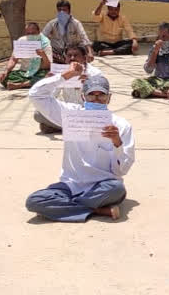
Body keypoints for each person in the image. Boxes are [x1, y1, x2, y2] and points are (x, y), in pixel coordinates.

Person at [25, 71, 134, 222]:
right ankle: (97, 210)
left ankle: (63, 209)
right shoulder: (71, 115)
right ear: (83, 97)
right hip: (71, 185)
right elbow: (37, 95)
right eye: (91, 95)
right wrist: (64, 76)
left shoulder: (121, 125)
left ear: (109, 98)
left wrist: (117, 143)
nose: (96, 100)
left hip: (103, 186)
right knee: (34, 201)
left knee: (117, 189)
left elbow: (121, 170)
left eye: (101, 95)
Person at [35, 45, 103, 134]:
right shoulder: (62, 73)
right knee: (38, 114)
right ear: (65, 58)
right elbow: (50, 98)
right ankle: (73, 126)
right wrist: (49, 82)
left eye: (76, 55)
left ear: (84, 58)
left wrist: (87, 86)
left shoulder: (95, 74)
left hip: (87, 112)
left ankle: (67, 127)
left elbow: (100, 102)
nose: (72, 58)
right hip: (69, 111)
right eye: (69, 55)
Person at [131, 22, 169, 100]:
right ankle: (166, 95)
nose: (161, 39)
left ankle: (148, 92)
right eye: (159, 36)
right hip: (157, 80)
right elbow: (148, 70)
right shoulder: (155, 48)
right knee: (137, 82)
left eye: (164, 36)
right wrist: (155, 51)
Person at [0, 22, 52, 90]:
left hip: (40, 71)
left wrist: (43, 55)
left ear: (38, 32)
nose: (30, 35)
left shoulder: (45, 43)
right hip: (24, 72)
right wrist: (6, 71)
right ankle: (30, 83)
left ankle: (20, 85)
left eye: (33, 33)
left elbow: (48, 66)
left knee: (50, 76)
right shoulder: (22, 40)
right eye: (28, 33)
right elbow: (13, 59)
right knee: (2, 78)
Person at [41, 0, 93, 64]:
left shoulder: (76, 23)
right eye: (59, 10)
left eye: (64, 10)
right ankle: (63, 61)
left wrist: (90, 52)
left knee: (81, 50)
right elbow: (42, 37)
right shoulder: (52, 23)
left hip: (71, 51)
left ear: (69, 11)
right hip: (56, 51)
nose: (62, 12)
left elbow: (84, 37)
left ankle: (67, 61)